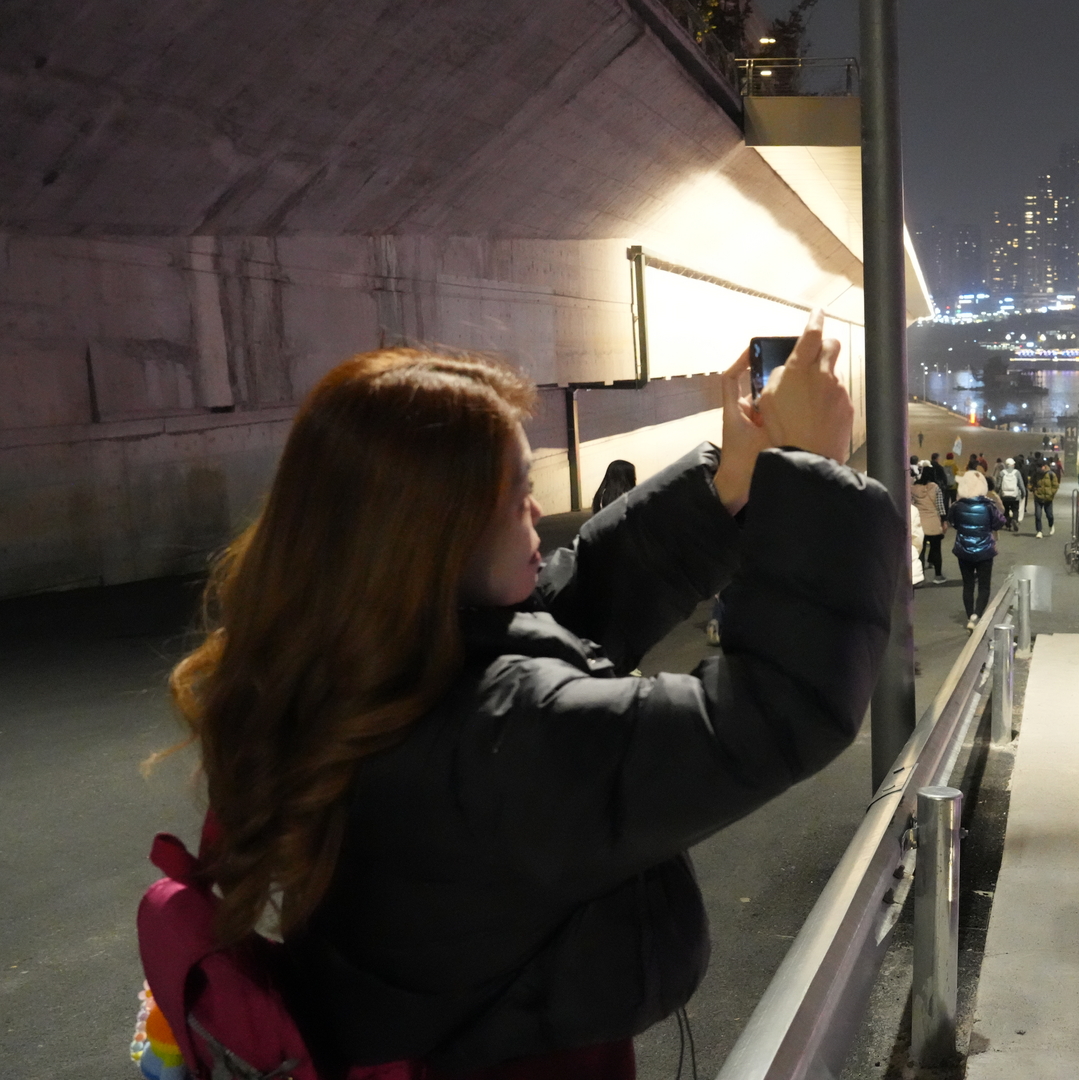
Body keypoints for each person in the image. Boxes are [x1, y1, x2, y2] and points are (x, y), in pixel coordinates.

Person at [159, 311, 898, 1078]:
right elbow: (776, 711)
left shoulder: (353, 664)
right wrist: (809, 477)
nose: (539, 509)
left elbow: (560, 611)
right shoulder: (498, 741)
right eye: (518, 495)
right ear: (435, 536)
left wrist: (728, 485)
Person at [948, 470, 1004, 629]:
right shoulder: (988, 505)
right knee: (984, 586)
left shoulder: (957, 506)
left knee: (968, 585)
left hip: (963, 549)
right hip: (984, 550)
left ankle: (969, 615)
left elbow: (953, 522)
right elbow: (1000, 522)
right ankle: (976, 615)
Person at [911, 462, 949, 584]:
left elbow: (911, 503)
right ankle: (938, 576)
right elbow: (940, 506)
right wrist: (944, 521)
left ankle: (920, 576)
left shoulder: (914, 488)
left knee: (920, 551)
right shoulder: (935, 487)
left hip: (919, 522)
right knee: (936, 549)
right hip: (933, 522)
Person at [995, 457, 1026, 534]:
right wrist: (1023, 493)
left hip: (1004, 496)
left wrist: (996, 493)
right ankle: (1014, 520)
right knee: (1015, 509)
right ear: (1013, 465)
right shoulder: (1017, 473)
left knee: (1006, 510)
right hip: (1015, 496)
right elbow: (1021, 484)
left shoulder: (1002, 473)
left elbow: (998, 485)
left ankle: (1008, 524)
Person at [1030, 459, 1059, 537]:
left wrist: (1051, 494)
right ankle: (1039, 531)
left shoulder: (1051, 474)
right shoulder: (1035, 474)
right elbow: (1031, 483)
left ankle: (1051, 525)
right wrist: (1033, 490)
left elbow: (1055, 485)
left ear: (1044, 466)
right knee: (1038, 515)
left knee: (1049, 515)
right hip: (1038, 497)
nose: (1039, 469)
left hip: (1048, 498)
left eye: (1040, 467)